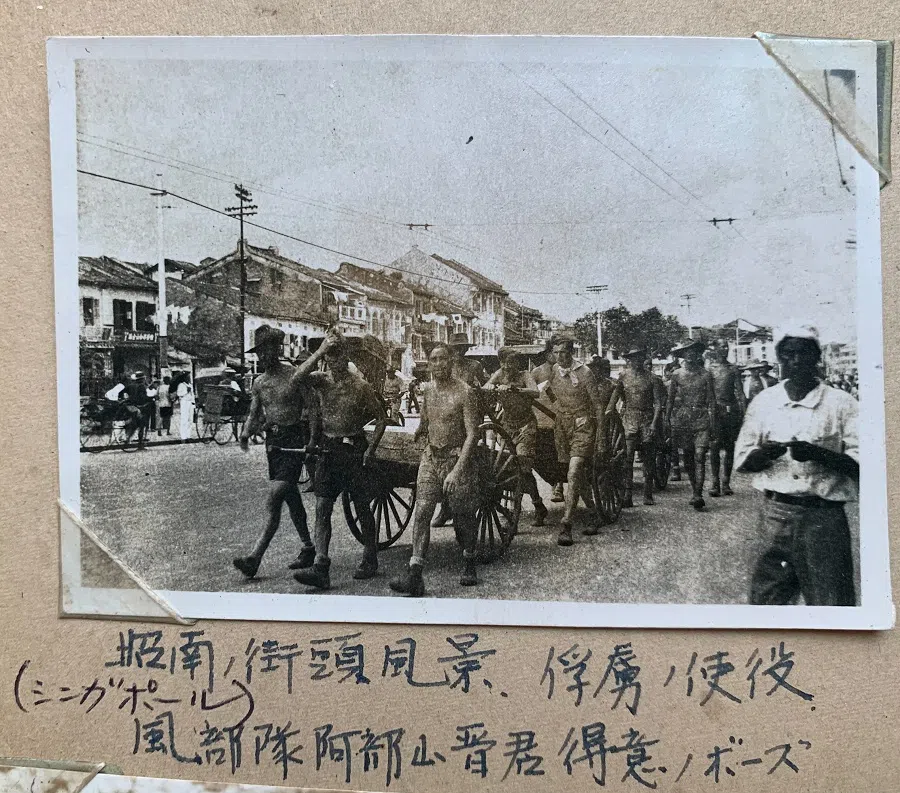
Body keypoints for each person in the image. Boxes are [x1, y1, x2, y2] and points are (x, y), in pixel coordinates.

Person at [734, 321, 858, 606]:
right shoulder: (765, 402)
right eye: (788, 354)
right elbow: (743, 461)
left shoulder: (841, 403)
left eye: (803, 353)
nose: (795, 360)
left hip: (823, 520)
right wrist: (764, 453)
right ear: (779, 359)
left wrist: (817, 453)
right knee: (766, 602)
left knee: (832, 604)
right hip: (775, 515)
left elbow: (864, 464)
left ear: (817, 357)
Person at [291, 328, 387, 590]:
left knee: (362, 507)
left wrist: (370, 450)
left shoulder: (361, 386)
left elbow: (381, 418)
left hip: (354, 449)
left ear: (346, 356)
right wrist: (320, 350)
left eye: (337, 354)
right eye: (330, 356)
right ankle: (321, 566)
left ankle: (370, 556)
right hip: (329, 449)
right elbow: (297, 378)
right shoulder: (322, 380)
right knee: (322, 507)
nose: (333, 360)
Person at [390, 342, 481, 595]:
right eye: (434, 360)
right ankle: (415, 574)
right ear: (428, 365)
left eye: (443, 359)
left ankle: (469, 560)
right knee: (422, 512)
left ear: (451, 362)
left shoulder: (465, 392)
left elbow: (473, 435)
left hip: (456, 459)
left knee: (463, 516)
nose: (439, 364)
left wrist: (457, 470)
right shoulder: (428, 392)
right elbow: (426, 420)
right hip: (431, 458)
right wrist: (419, 431)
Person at [232, 325, 316, 580]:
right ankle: (308, 548)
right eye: (259, 352)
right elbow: (255, 412)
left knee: (274, 497)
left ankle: (254, 558)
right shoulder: (259, 382)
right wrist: (246, 433)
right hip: (274, 444)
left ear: (277, 349)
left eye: (268, 350)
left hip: (294, 441)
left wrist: (312, 440)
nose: (263, 356)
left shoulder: (294, 374)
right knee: (291, 498)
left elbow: (312, 408)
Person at [544, 336, 606, 545]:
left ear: (571, 353)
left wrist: (601, 435)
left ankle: (566, 524)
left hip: (583, 426)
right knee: (575, 475)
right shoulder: (554, 371)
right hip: (562, 427)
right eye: (556, 352)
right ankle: (594, 513)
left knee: (574, 470)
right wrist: (559, 408)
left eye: (563, 352)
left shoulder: (585, 373)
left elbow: (598, 405)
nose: (559, 356)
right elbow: (550, 391)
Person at [483, 347, 548, 527]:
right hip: (506, 427)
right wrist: (488, 387)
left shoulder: (524, 375)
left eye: (511, 363)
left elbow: (536, 392)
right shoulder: (499, 374)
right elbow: (487, 386)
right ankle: (538, 505)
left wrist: (516, 389)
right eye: (504, 363)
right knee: (509, 468)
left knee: (523, 466)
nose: (507, 367)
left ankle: (520, 513)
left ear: (516, 364)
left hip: (525, 426)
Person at [607, 348, 661, 508]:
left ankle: (647, 493)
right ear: (629, 360)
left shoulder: (652, 378)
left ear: (643, 359)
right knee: (627, 459)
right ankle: (627, 495)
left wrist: (654, 423)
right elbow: (615, 398)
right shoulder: (623, 376)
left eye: (639, 358)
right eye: (633, 359)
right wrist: (608, 413)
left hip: (647, 419)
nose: (636, 362)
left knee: (648, 459)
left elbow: (658, 403)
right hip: (629, 420)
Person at [666, 340, 716, 510]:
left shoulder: (706, 374)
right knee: (688, 458)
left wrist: (714, 424)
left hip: (701, 419)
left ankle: (698, 494)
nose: (691, 355)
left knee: (700, 455)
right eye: (688, 352)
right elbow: (670, 400)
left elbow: (712, 401)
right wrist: (667, 420)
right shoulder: (676, 375)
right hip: (683, 420)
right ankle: (695, 489)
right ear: (683, 355)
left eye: (694, 352)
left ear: (698, 355)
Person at [707, 340, 746, 497]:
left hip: (731, 412)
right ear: (715, 349)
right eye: (721, 346)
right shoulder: (710, 369)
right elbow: (708, 393)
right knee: (715, 446)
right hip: (716, 412)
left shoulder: (733, 369)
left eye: (726, 347)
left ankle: (726, 482)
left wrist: (744, 413)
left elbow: (740, 393)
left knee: (730, 447)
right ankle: (715, 483)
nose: (724, 349)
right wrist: (710, 411)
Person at [532, 337, 565, 503]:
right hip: (541, 416)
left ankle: (559, 485)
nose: (557, 356)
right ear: (548, 354)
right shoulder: (538, 372)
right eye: (554, 353)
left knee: (560, 451)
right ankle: (554, 482)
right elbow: (531, 392)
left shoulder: (565, 370)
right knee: (545, 454)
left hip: (561, 416)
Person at [124, 371, 152, 449]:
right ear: (142, 379)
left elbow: (124, 394)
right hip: (141, 407)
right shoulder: (141, 386)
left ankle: (127, 440)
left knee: (134, 425)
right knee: (141, 427)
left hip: (133, 407)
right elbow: (143, 397)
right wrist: (150, 398)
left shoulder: (131, 386)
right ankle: (140, 444)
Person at [175, 373, 195, 442]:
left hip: (190, 402)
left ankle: (188, 436)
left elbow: (193, 395)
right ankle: (183, 437)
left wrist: (193, 403)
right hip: (184, 402)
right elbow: (179, 394)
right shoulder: (181, 385)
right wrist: (186, 391)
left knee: (190, 419)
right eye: (188, 377)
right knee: (184, 419)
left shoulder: (190, 385)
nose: (189, 378)